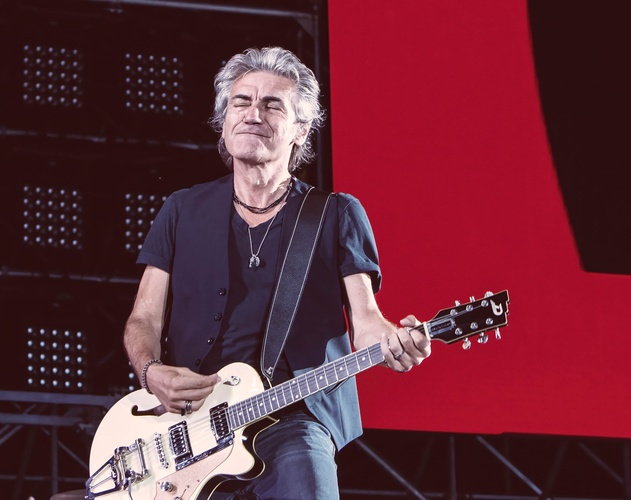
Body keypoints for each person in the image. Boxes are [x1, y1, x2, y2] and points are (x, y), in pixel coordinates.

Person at [122, 46, 431, 499]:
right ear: (224, 122)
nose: (253, 114)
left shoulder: (336, 214)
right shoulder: (182, 209)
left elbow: (368, 324)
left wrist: (394, 342)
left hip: (292, 418)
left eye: (272, 105)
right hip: (190, 426)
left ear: (300, 129)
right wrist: (152, 373)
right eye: (241, 102)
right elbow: (143, 319)